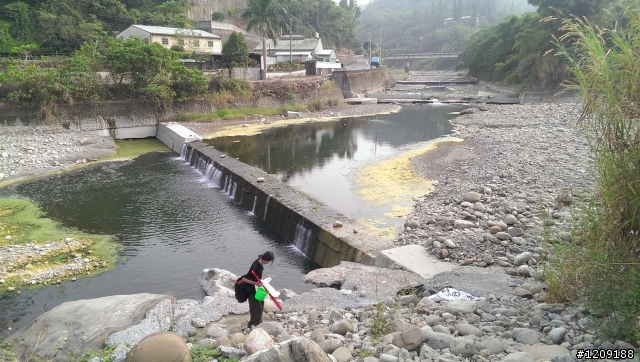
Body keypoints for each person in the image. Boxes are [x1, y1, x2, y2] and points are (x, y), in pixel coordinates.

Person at [242, 251, 274, 330]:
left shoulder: (260, 263)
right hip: (250, 288)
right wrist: (255, 283)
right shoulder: (255, 267)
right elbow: (244, 279)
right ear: (266, 259)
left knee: (261, 303)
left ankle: (259, 321)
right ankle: (252, 325)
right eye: (269, 261)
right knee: (256, 306)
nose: (269, 262)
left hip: (258, 287)